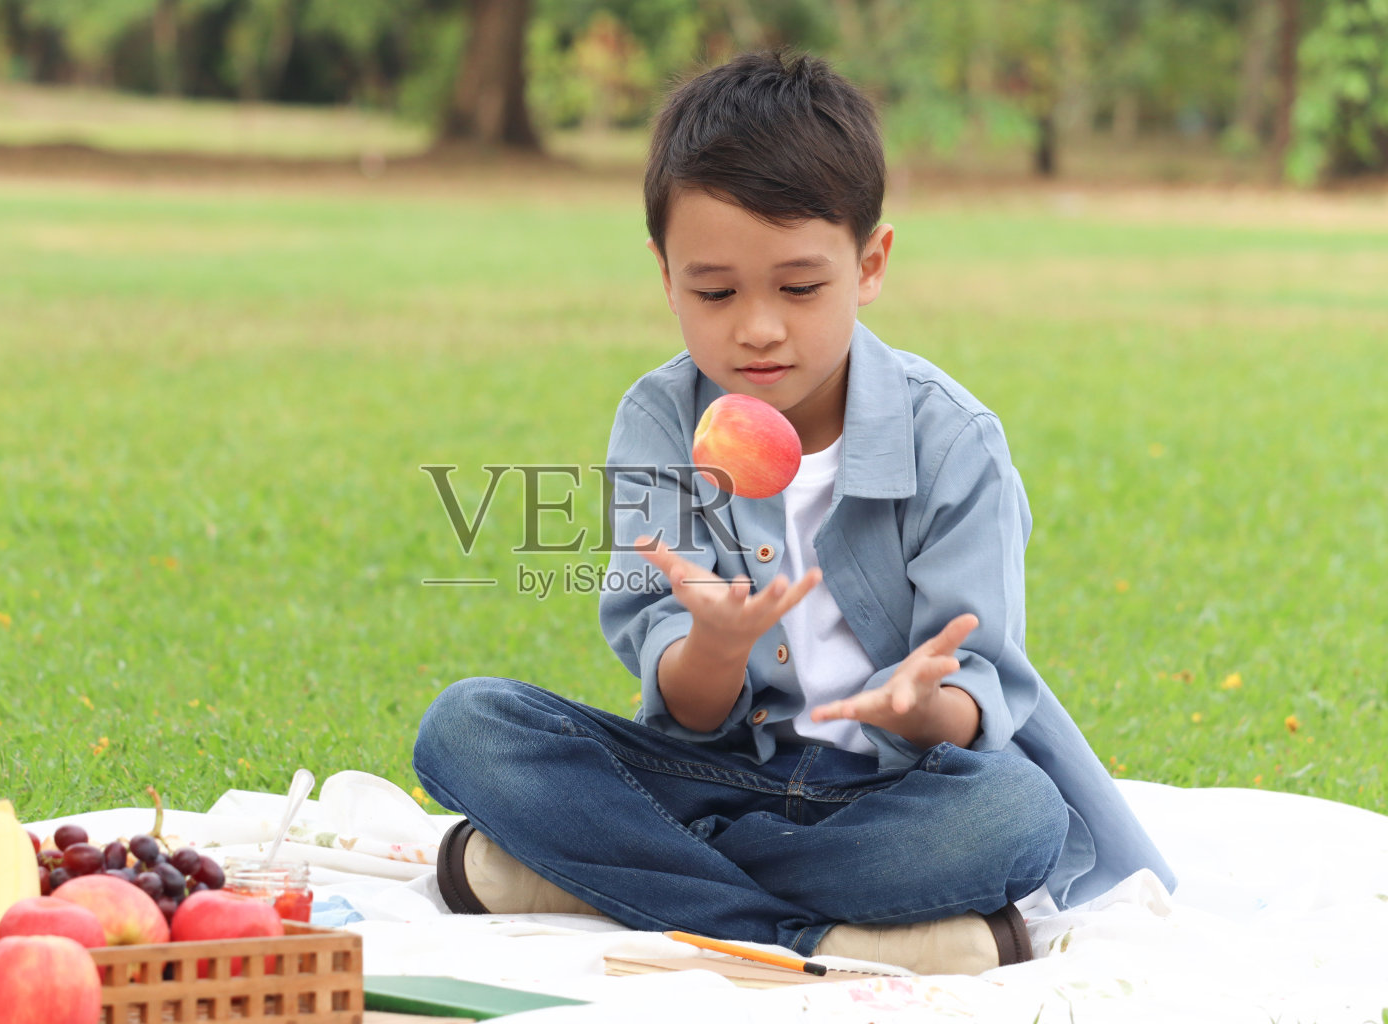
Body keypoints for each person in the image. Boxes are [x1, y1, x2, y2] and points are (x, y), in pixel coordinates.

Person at [414, 50, 1174, 975]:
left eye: (801, 287)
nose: (759, 327)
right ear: (665, 275)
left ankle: (608, 874)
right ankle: (814, 936)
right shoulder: (661, 422)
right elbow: (687, 712)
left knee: (1016, 817)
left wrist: (920, 704)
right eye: (715, 291)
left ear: (871, 263)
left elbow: (979, 697)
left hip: (900, 793)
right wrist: (715, 645)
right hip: (718, 776)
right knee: (469, 726)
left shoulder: (952, 440)